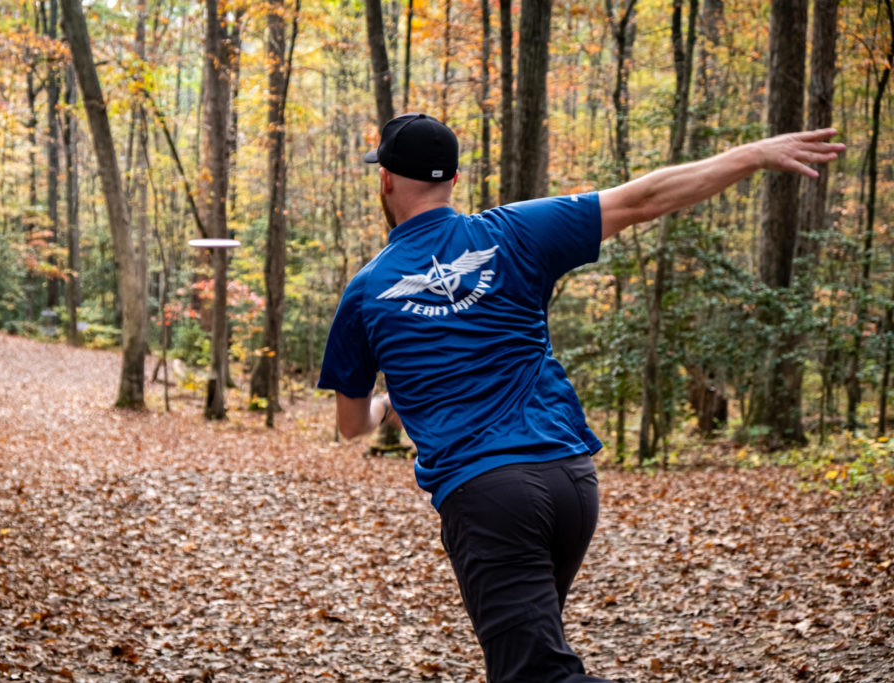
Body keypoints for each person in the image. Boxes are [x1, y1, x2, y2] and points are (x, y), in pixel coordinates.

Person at [317, 112, 843, 682]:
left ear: (387, 180)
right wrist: (751, 155)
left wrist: (386, 404)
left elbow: (351, 424)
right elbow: (645, 198)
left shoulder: (367, 290)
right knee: (527, 658)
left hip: (490, 495)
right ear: (454, 180)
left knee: (535, 673)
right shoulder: (514, 232)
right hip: (570, 481)